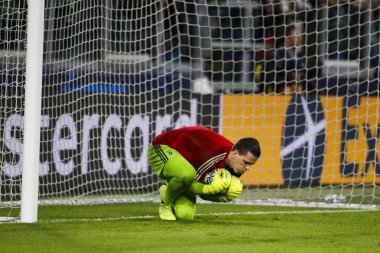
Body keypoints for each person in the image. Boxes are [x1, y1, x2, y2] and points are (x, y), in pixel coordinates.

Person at [148, 126, 261, 221]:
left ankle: (168, 190)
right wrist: (209, 189)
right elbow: (191, 184)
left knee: (185, 216)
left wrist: (223, 197)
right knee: (186, 174)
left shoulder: (236, 167)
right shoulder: (213, 156)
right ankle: (165, 204)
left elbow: (203, 194)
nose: (248, 168)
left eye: (251, 164)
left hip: (188, 164)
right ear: (235, 154)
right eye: (246, 162)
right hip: (164, 147)